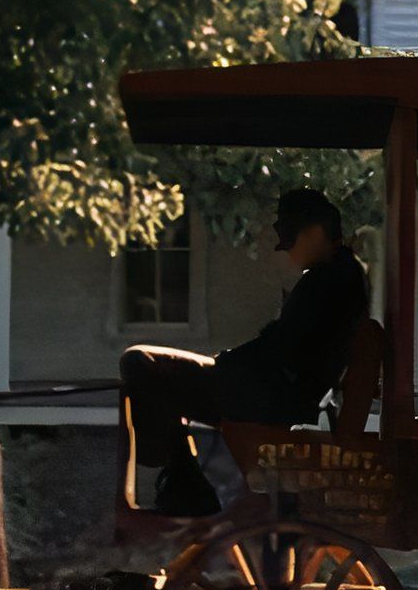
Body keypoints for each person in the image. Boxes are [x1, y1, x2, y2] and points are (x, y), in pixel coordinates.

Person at [119, 189, 369, 516]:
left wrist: (223, 366)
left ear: (314, 231)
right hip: (274, 391)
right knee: (158, 374)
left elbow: (282, 349)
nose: (288, 252)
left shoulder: (330, 281)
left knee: (139, 361)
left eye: (291, 240)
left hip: (265, 396)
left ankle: (183, 482)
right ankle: (184, 480)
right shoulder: (341, 275)